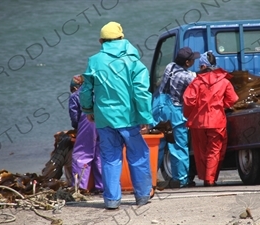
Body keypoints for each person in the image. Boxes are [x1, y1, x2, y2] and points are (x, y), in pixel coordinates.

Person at [79, 21, 154, 209]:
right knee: (138, 154)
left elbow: (86, 90)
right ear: (122, 38)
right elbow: (142, 92)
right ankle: (143, 195)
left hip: (104, 118)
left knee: (110, 158)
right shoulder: (134, 61)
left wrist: (88, 110)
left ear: (101, 41)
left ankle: (112, 200)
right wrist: (145, 117)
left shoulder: (94, 61)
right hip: (129, 118)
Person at [183, 50, 239, 186]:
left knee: (200, 151)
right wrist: (222, 105)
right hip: (217, 121)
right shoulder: (224, 81)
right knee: (214, 151)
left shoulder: (196, 82)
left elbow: (188, 101)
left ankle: (205, 177)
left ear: (203, 66)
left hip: (198, 122)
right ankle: (210, 179)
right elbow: (233, 99)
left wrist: (190, 114)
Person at [153, 47, 200, 187]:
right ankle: (181, 180)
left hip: (158, 108)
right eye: (192, 60)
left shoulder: (170, 67)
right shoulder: (187, 77)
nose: (194, 61)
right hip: (174, 111)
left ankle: (148, 177)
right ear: (187, 62)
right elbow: (198, 84)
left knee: (158, 144)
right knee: (177, 145)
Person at [69, 74, 103, 193]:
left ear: (75, 87)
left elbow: (74, 117)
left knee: (82, 155)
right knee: (100, 154)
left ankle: (80, 187)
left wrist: (76, 128)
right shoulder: (98, 92)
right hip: (104, 122)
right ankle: (103, 186)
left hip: (88, 123)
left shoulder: (75, 96)